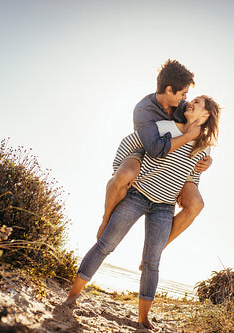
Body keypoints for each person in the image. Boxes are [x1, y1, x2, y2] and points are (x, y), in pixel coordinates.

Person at [62, 95, 221, 330]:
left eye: (197, 103)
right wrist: (120, 169)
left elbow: (193, 176)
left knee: (152, 262)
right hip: (138, 194)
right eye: (192, 100)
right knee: (105, 244)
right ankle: (72, 297)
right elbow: (130, 141)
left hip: (165, 206)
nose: (190, 103)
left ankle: (143, 318)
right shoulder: (164, 127)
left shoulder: (203, 147)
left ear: (205, 115)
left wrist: (193, 182)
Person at [96, 59, 212, 249]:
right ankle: (106, 220)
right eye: (183, 93)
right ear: (169, 90)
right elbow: (155, 149)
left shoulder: (182, 107)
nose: (186, 99)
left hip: (168, 164)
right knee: (123, 175)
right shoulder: (144, 111)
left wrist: (208, 159)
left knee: (196, 204)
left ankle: (159, 248)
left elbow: (199, 129)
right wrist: (190, 135)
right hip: (142, 152)